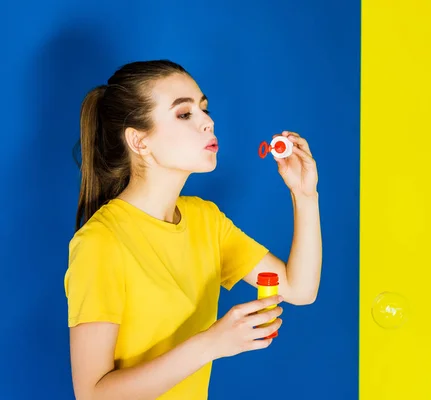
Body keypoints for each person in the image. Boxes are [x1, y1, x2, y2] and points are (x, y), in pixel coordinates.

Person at [64, 60, 322, 400]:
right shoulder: (101, 242)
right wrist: (212, 343)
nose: (208, 122)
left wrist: (304, 195)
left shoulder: (206, 220)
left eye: (204, 109)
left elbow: (298, 289)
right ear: (140, 142)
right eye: (184, 114)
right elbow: (93, 394)